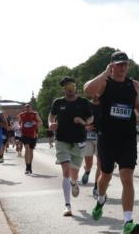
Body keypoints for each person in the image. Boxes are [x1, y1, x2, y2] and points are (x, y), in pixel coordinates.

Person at [83, 52, 139, 234]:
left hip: (127, 137)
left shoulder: (134, 84)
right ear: (112, 65)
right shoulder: (104, 83)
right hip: (107, 137)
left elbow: (138, 104)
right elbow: (88, 89)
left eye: (125, 64)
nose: (123, 68)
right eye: (119, 64)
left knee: (127, 178)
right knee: (106, 176)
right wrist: (104, 73)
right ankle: (101, 199)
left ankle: (128, 222)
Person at [49, 76, 94, 217]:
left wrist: (83, 122)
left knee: (74, 173)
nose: (69, 90)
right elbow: (51, 115)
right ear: (64, 89)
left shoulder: (83, 102)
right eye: (66, 87)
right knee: (66, 172)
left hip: (79, 141)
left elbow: (91, 118)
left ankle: (74, 183)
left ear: (75, 87)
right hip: (62, 141)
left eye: (71, 86)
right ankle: (67, 205)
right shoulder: (58, 102)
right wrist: (51, 123)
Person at [80, 96, 100, 189]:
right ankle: (87, 171)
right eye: (94, 93)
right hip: (88, 137)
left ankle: (97, 185)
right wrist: (84, 127)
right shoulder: (86, 105)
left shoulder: (106, 103)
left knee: (101, 163)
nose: (96, 95)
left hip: (101, 137)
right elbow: (78, 119)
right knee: (89, 163)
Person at [17, 103, 42, 175]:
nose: (27, 108)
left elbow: (40, 122)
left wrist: (36, 123)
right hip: (24, 134)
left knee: (31, 151)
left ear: (31, 108)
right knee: (27, 148)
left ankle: (29, 166)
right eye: (26, 107)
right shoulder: (21, 115)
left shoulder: (35, 114)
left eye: (29, 107)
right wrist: (19, 126)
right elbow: (19, 123)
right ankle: (27, 167)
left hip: (33, 135)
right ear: (25, 108)